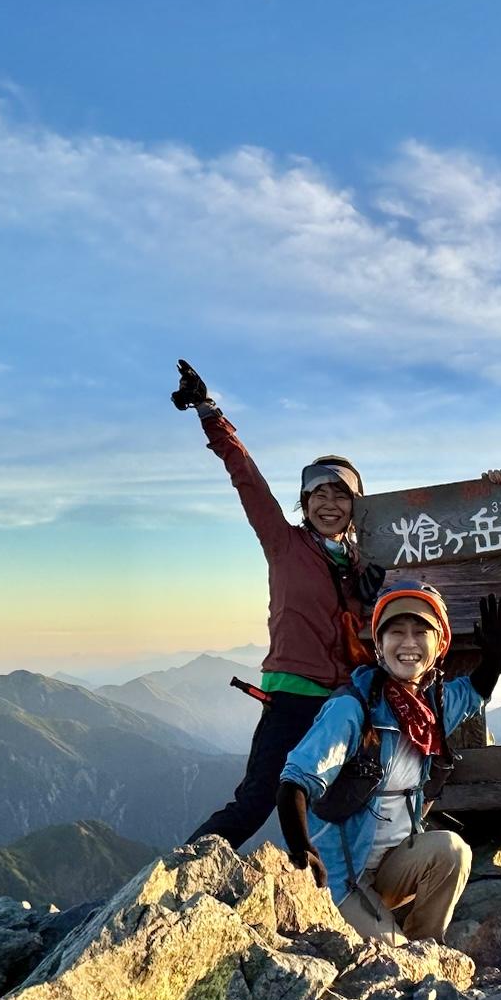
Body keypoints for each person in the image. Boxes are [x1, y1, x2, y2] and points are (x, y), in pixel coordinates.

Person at [174, 358, 385, 847]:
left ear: (357, 506)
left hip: (347, 700)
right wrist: (209, 412)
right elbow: (247, 478)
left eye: (341, 495)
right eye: (318, 494)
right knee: (255, 803)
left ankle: (336, 890)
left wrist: (376, 599)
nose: (329, 504)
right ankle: (174, 876)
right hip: (290, 696)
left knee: (355, 800)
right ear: (304, 501)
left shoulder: (364, 563)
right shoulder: (284, 543)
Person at [276, 581, 501, 945]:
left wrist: (495, 660)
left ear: (439, 646)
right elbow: (295, 781)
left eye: (421, 632)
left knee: (453, 852)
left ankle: (426, 945)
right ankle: (403, 949)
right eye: (396, 631)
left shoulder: (430, 709)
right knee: (393, 958)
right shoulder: (353, 709)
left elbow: (474, 693)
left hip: (392, 866)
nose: (408, 643)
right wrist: (301, 849)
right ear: (380, 646)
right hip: (343, 875)